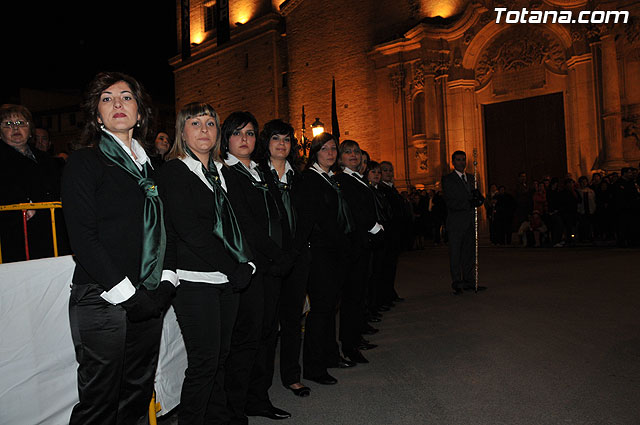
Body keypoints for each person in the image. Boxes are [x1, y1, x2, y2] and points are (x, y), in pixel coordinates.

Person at [61, 71, 175, 424]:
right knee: (100, 401)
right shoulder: (85, 162)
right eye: (106, 99)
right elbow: (83, 238)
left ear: (140, 113)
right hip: (102, 295)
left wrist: (167, 281)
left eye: (126, 97)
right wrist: (127, 294)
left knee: (137, 394)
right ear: (97, 116)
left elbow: (166, 228)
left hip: (149, 293)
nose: (117, 104)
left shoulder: (153, 168)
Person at [157, 102, 255, 425]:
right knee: (204, 362)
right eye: (195, 123)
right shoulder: (174, 171)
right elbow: (190, 231)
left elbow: (241, 222)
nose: (204, 130)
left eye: (210, 123)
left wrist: (248, 264)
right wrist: (234, 267)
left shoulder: (222, 172)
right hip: (195, 279)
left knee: (221, 359)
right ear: (182, 131)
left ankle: (218, 418)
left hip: (229, 279)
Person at [220, 111, 294, 423]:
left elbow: (279, 213)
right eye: (238, 133)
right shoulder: (227, 173)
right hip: (252, 267)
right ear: (227, 138)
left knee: (267, 334)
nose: (245, 139)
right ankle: (236, 407)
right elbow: (247, 226)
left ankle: (259, 397)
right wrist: (277, 255)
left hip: (274, 266)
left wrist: (286, 253)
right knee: (247, 339)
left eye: (250, 133)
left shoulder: (261, 171)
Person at [255, 119, 312, 398]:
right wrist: (277, 255)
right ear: (266, 143)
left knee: (292, 321)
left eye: (287, 140)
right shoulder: (256, 175)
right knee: (267, 326)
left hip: (296, 259)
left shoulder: (299, 178)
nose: (282, 144)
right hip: (268, 261)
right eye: (276, 138)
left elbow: (306, 220)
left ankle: (292, 376)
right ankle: (261, 386)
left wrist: (295, 253)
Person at [296, 132, 356, 386]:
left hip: (335, 251)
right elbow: (316, 219)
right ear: (315, 153)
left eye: (334, 149)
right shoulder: (310, 179)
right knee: (320, 311)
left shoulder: (331, 179)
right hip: (320, 253)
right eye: (325, 149)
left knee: (330, 308)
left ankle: (330, 355)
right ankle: (313, 366)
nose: (331, 153)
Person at [335, 139, 384, 364]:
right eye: (347, 152)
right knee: (351, 297)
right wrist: (374, 228)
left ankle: (355, 337)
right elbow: (354, 210)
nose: (353, 155)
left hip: (362, 245)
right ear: (340, 157)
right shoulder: (343, 179)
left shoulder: (357, 178)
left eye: (356, 151)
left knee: (358, 295)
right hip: (353, 246)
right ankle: (349, 345)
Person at [0, 105, 58, 262]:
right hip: (17, 233)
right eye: (8, 124)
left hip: (49, 230)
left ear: (30, 129)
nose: (15, 128)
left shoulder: (45, 158)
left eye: (21, 123)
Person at [441, 150, 485, 294]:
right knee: (455, 254)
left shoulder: (472, 178)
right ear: (453, 162)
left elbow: (476, 197)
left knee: (469, 253)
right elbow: (451, 201)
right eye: (458, 160)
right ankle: (457, 282)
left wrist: (479, 200)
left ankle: (469, 280)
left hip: (470, 221)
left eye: (463, 159)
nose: (461, 162)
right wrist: (469, 203)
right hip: (456, 222)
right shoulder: (448, 179)